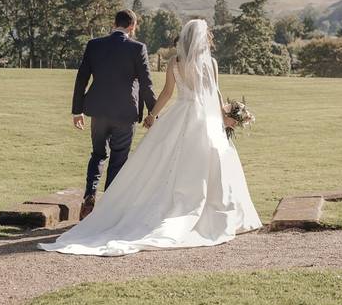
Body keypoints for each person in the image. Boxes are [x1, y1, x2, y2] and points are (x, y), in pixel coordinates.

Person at [40, 18, 262, 256]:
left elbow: (167, 93)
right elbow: (215, 93)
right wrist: (224, 117)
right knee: (209, 161)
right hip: (205, 120)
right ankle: (210, 210)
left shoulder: (175, 62)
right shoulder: (212, 63)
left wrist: (152, 115)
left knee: (165, 160)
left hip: (181, 113)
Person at [71, 9, 156, 220]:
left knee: (98, 154)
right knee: (118, 160)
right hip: (126, 113)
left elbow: (82, 79)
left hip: (98, 111)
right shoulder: (138, 48)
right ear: (132, 26)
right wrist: (153, 112)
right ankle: (108, 207)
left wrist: (77, 110)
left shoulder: (95, 45)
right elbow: (146, 83)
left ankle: (90, 195)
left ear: (114, 23)